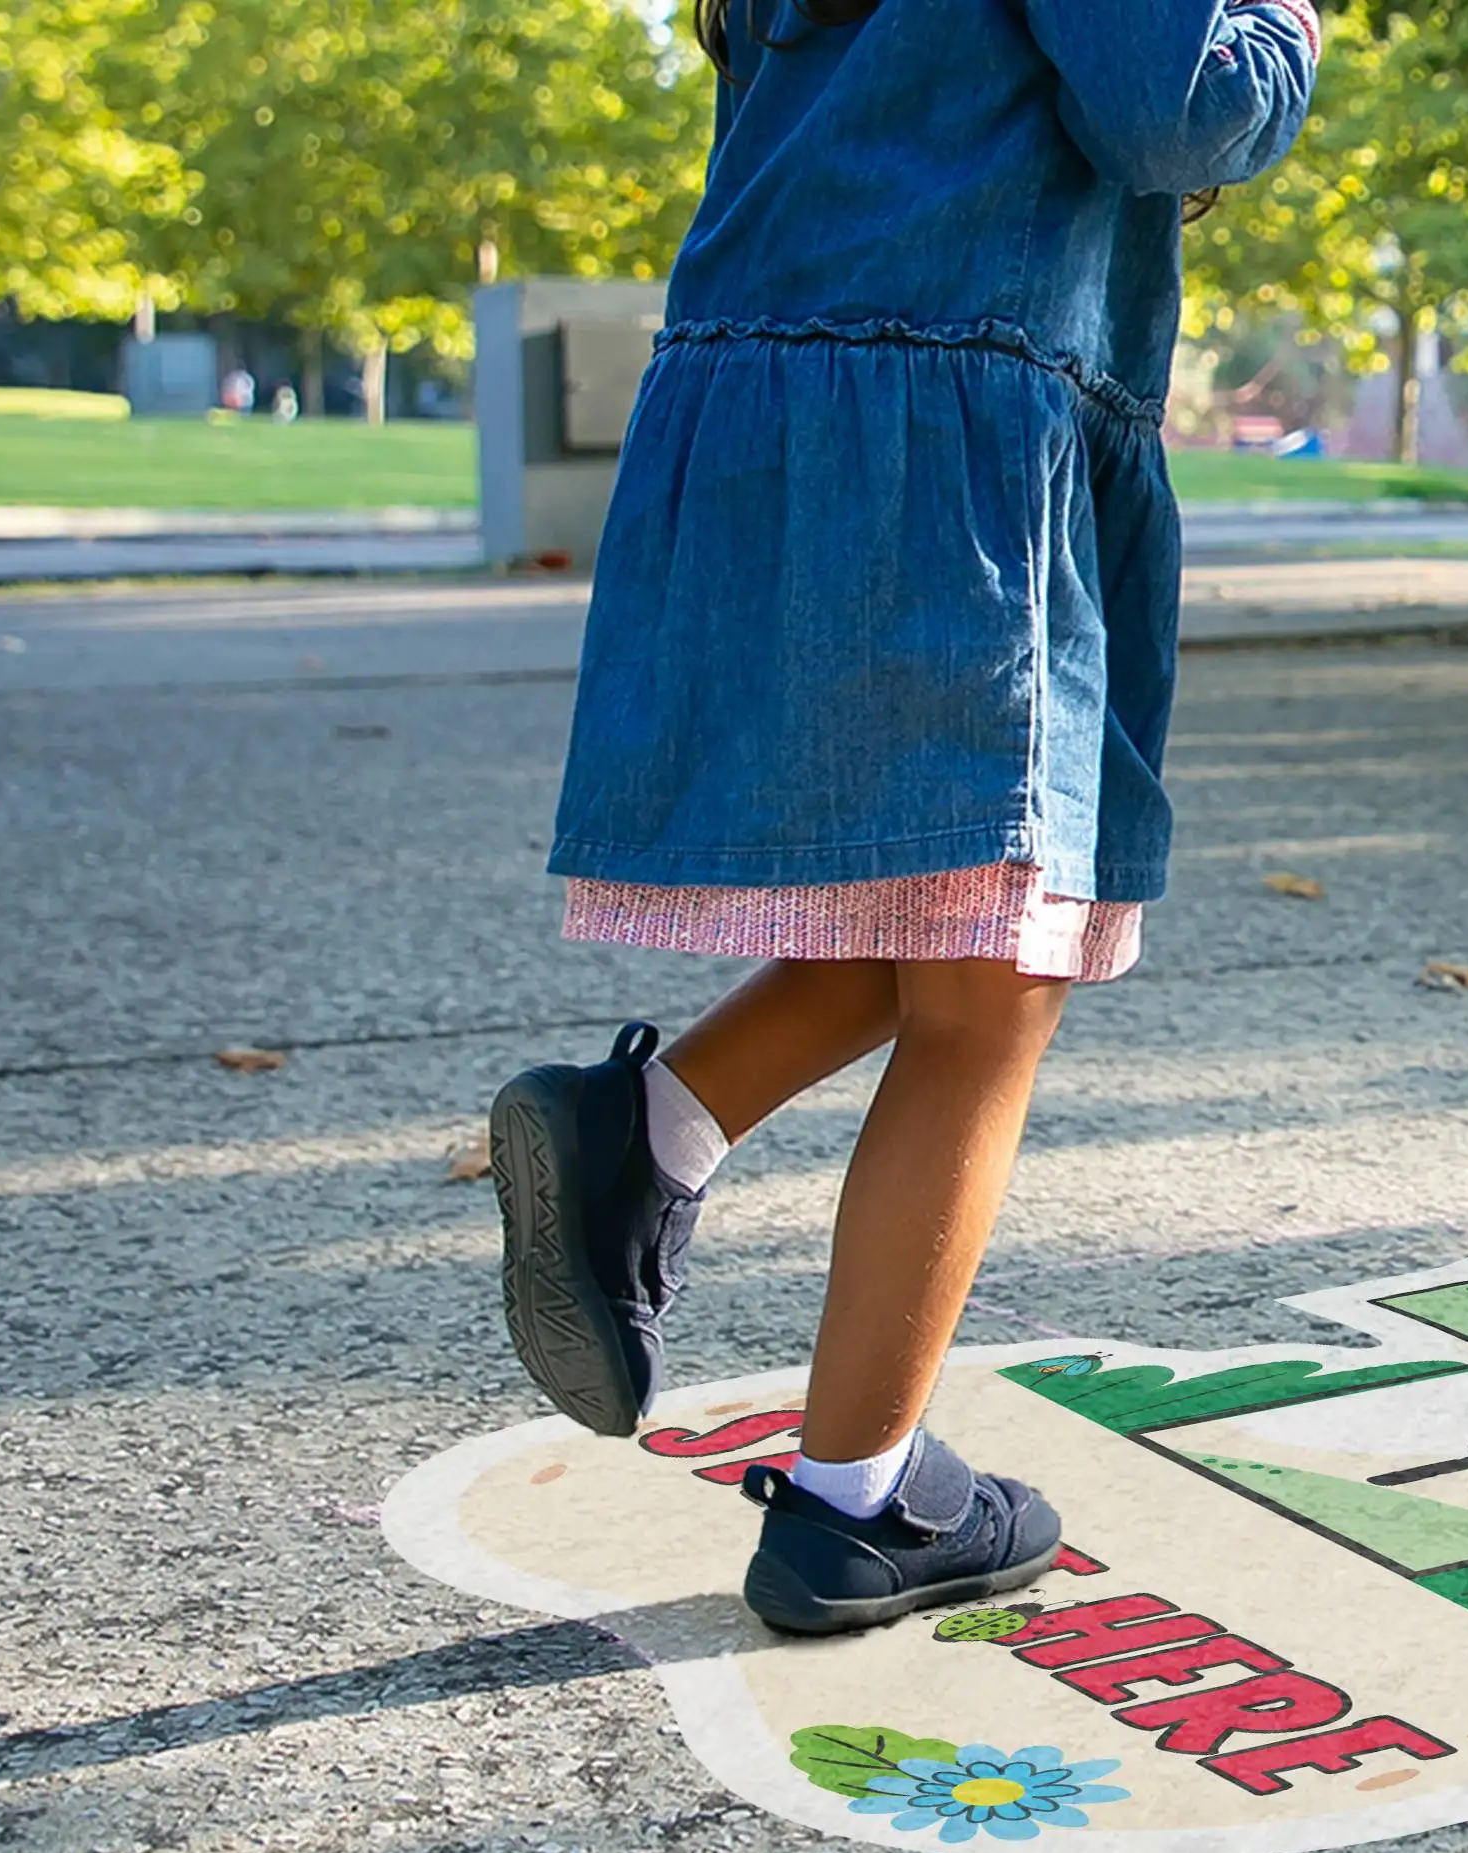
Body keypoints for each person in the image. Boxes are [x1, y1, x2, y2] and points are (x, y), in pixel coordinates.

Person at [485, 0, 1319, 1637]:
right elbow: (1179, 111)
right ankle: (859, 1504)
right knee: (994, 976)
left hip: (782, 407)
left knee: (922, 913)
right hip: (955, 437)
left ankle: (649, 1132)